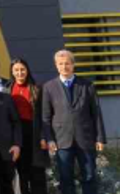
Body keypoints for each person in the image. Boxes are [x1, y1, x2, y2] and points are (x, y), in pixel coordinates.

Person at [41, 50, 105, 194]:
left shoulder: (87, 85)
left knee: (89, 175)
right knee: (65, 178)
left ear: (73, 65)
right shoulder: (49, 87)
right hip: (61, 140)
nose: (64, 67)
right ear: (56, 66)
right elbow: (45, 116)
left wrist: (100, 138)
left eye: (67, 63)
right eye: (60, 64)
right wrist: (49, 139)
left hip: (85, 138)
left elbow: (96, 113)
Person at [9, 58, 50, 194]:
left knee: (37, 173)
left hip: (34, 133)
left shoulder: (37, 88)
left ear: (27, 71)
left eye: (22, 69)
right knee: (22, 173)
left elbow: (45, 115)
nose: (19, 73)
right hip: (16, 135)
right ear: (12, 72)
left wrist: (44, 136)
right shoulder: (7, 89)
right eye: (16, 70)